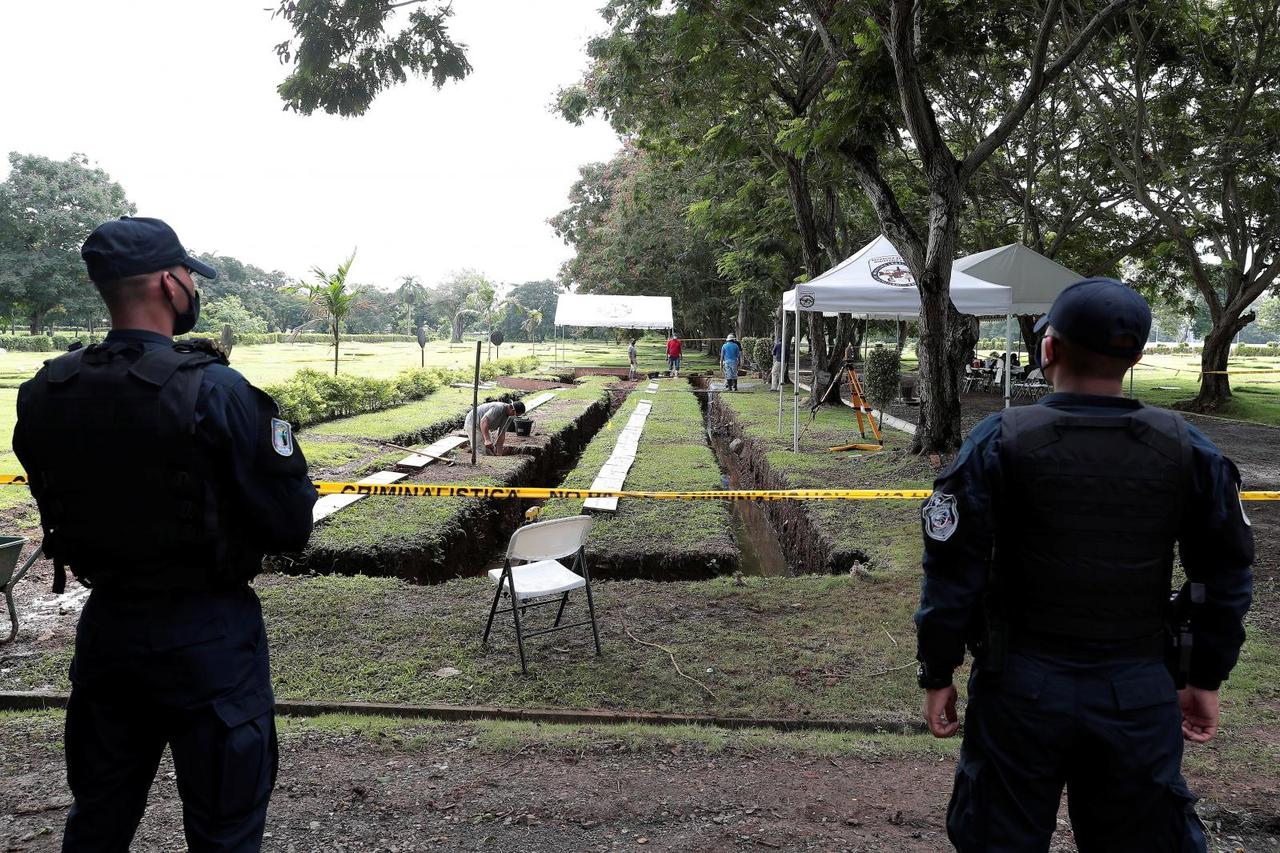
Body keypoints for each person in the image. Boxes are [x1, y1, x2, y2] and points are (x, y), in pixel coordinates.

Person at [12, 216, 318, 851]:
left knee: (97, 818)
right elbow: (290, 524)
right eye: (187, 277)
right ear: (169, 283)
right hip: (209, 638)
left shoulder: (44, 391)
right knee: (224, 829)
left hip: (108, 632)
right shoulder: (218, 391)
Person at [915, 277, 1253, 852]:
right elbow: (1224, 577)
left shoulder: (999, 441)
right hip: (1137, 689)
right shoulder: (1187, 448)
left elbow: (953, 574)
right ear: (1137, 356)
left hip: (1020, 691)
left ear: (1048, 348)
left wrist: (938, 673)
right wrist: (1204, 678)